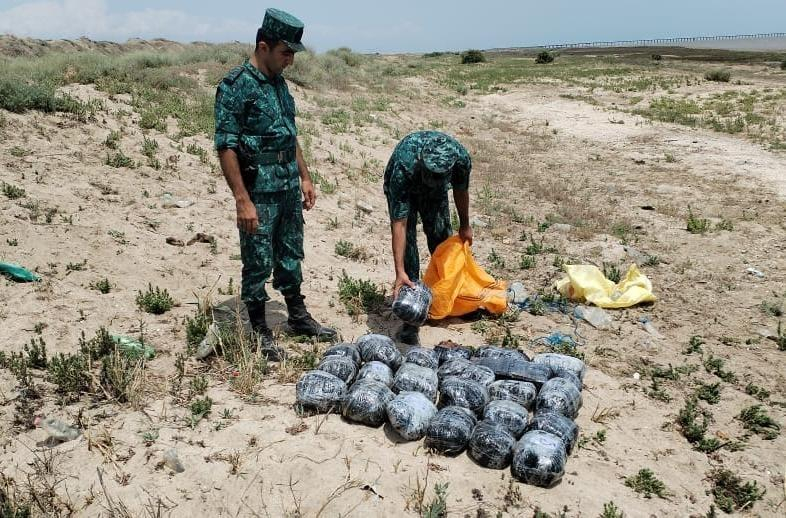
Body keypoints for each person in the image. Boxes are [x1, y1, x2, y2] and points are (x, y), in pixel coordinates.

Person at [214, 8, 336, 360]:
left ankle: (298, 317)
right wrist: (242, 199)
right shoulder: (235, 86)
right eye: (286, 52)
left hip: (286, 188)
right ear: (263, 45)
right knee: (257, 261)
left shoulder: (280, 84)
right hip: (258, 191)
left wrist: (306, 176)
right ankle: (259, 330)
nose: (291, 61)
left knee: (290, 254)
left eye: (294, 53)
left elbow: (288, 134)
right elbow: (226, 145)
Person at [383, 131, 473, 345]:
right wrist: (400, 271)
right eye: (430, 176)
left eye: (439, 178)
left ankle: (444, 298)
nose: (432, 181)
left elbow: (461, 191)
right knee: (410, 250)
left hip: (436, 196)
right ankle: (411, 319)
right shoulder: (403, 167)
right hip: (407, 188)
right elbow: (400, 223)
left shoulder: (460, 159)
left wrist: (465, 224)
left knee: (443, 241)